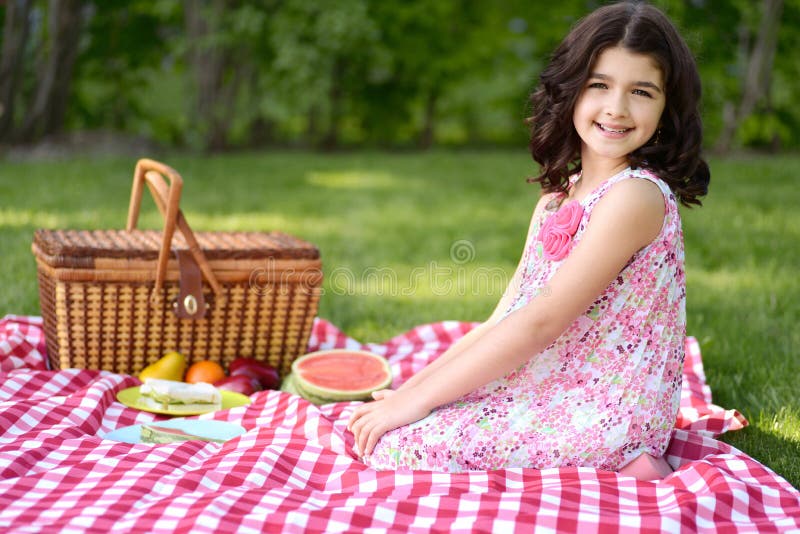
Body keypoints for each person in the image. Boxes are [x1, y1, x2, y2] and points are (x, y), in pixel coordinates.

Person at [347, 0, 709, 479]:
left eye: (641, 91)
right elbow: (506, 317)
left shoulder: (635, 198)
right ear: (572, 91)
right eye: (599, 84)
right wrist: (412, 392)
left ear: (666, 107)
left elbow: (540, 323)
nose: (617, 109)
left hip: (610, 409)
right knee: (396, 428)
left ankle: (634, 463)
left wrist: (412, 407)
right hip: (552, 384)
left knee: (404, 449)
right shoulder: (556, 201)